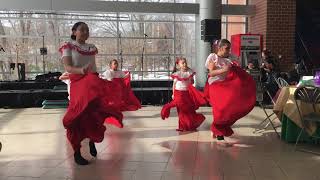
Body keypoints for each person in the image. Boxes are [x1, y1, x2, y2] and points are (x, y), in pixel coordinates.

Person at [59, 22, 123, 165]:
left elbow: (92, 68)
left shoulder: (92, 47)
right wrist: (81, 71)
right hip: (78, 83)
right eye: (82, 29)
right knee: (77, 118)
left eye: (87, 30)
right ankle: (77, 151)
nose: (86, 32)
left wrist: (91, 76)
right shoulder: (67, 46)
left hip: (92, 83)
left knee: (93, 114)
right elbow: (68, 67)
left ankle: (92, 140)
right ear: (74, 31)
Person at [205, 39, 256, 145]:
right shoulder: (213, 57)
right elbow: (211, 73)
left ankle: (216, 129)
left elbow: (236, 71)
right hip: (214, 85)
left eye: (229, 48)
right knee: (221, 108)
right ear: (220, 48)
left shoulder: (228, 61)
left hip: (225, 85)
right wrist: (224, 70)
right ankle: (219, 136)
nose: (229, 50)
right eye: (227, 48)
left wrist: (246, 69)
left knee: (228, 107)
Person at [161, 57, 206, 131]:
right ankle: (166, 108)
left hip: (187, 93)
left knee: (185, 110)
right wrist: (173, 94)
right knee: (179, 106)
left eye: (185, 62)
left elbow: (192, 82)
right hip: (178, 93)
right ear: (179, 65)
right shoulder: (177, 74)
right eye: (183, 63)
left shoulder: (189, 72)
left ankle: (184, 126)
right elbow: (174, 85)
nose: (185, 64)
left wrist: (191, 84)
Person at [100, 59, 141, 128]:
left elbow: (124, 76)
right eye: (114, 63)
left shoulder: (120, 72)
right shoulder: (108, 72)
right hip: (112, 90)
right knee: (112, 102)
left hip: (118, 90)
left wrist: (128, 74)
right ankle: (113, 114)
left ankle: (116, 113)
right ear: (110, 65)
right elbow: (104, 78)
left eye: (116, 63)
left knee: (118, 101)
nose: (116, 65)